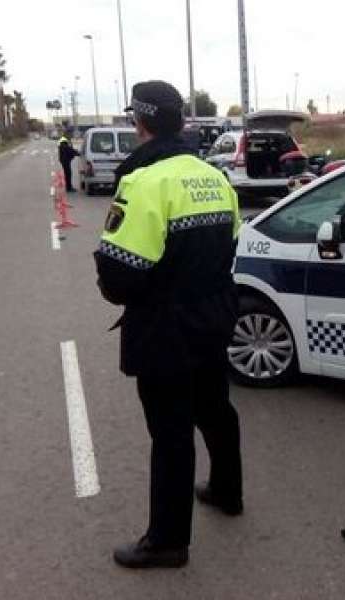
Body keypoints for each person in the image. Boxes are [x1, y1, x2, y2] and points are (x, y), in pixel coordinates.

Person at [94, 81, 244, 569]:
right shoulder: (214, 177)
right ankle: (226, 490)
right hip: (215, 316)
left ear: (140, 123)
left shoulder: (143, 182)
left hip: (165, 330)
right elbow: (230, 245)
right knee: (215, 407)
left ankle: (167, 541)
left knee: (171, 432)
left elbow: (119, 279)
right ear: (180, 122)